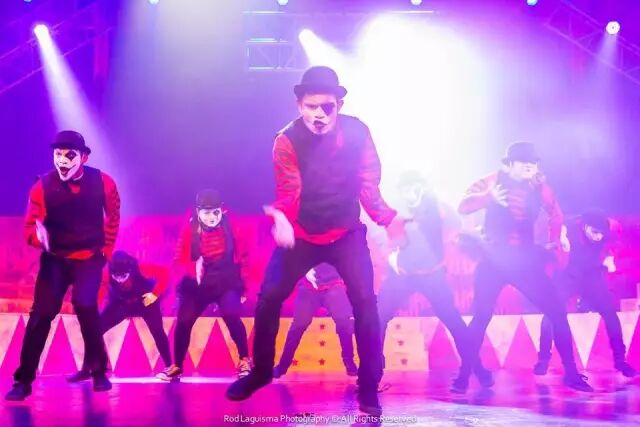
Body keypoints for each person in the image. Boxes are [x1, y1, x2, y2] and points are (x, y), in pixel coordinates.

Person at [225, 66, 406, 416]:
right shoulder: (286, 140)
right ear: (299, 106)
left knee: (365, 303)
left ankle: (369, 385)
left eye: (327, 107)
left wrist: (387, 218)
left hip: (346, 234)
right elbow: (290, 189)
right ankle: (261, 372)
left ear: (339, 106)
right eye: (311, 107)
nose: (319, 114)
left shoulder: (358, 132)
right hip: (303, 235)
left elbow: (369, 182)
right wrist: (282, 217)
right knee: (269, 298)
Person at [456, 142, 592, 392]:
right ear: (509, 164)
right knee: (482, 316)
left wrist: (557, 237)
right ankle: (463, 376)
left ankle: (571, 374)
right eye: (524, 161)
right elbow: (462, 206)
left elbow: (556, 213)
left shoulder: (539, 186)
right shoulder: (492, 181)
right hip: (494, 261)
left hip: (524, 261)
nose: (531, 166)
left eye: (534, 162)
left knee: (557, 312)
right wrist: (487, 198)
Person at [6, 130, 120, 401]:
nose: (63, 161)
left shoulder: (104, 182)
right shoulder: (42, 186)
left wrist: (105, 252)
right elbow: (29, 229)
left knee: (85, 305)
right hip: (55, 258)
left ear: (83, 157)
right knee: (41, 314)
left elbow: (113, 217)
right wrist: (40, 240)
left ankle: (99, 372)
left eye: (69, 155)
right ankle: (23, 381)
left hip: (88, 258)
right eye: (58, 154)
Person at [377, 170, 493, 392]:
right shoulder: (394, 209)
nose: (408, 193)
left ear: (422, 187)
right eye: (404, 189)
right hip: (402, 276)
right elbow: (385, 237)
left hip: (432, 275)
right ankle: (373, 375)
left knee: (455, 323)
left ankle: (479, 369)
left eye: (412, 187)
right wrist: (390, 256)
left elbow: (456, 228)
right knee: (378, 319)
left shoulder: (440, 208)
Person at [157, 189, 251, 381]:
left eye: (215, 212)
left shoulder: (233, 226)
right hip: (198, 285)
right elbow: (177, 261)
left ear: (222, 210)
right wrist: (193, 266)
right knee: (183, 320)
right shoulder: (189, 229)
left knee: (231, 314)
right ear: (198, 212)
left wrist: (245, 287)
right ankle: (177, 366)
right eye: (206, 213)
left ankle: (244, 360)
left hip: (226, 281)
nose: (211, 217)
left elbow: (245, 257)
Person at [533, 210, 637, 377]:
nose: (598, 237)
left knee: (610, 313)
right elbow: (550, 235)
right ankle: (543, 359)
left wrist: (609, 258)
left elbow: (615, 236)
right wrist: (555, 246)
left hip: (592, 276)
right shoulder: (568, 228)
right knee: (552, 312)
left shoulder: (607, 231)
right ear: (584, 226)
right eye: (595, 232)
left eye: (601, 234)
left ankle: (620, 361)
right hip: (568, 275)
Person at [67, 251, 172, 381]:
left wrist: (155, 294)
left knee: (158, 332)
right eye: (117, 277)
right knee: (94, 331)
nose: (122, 282)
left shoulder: (141, 268)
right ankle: (87, 369)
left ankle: (170, 368)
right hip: (121, 304)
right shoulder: (106, 274)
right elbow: (99, 295)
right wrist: (92, 314)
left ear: (130, 270)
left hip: (146, 302)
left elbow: (165, 274)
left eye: (124, 277)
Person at [274, 263, 357, 378]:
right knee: (298, 325)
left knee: (343, 321)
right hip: (308, 285)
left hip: (334, 284)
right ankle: (282, 366)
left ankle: (349, 362)